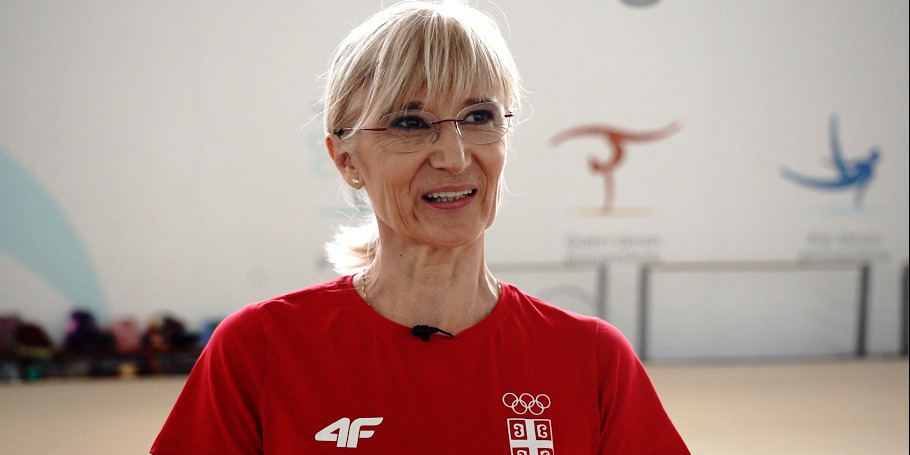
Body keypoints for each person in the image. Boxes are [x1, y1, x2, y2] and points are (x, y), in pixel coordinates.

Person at [151, 1, 690, 453]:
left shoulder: (591, 360)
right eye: (410, 123)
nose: (454, 157)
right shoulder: (261, 350)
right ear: (347, 161)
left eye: (479, 117)